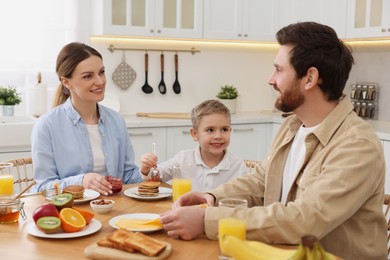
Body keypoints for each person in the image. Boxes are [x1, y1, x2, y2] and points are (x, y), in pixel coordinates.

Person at [159, 22, 387, 260]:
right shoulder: (292, 126)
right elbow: (262, 181)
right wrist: (212, 197)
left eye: (278, 70)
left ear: (310, 78)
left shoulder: (357, 145)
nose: (270, 79)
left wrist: (208, 220)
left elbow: (305, 220)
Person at [31, 42, 142, 195]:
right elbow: (43, 187)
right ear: (66, 82)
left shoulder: (116, 120)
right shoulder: (47, 125)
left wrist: (146, 171)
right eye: (88, 76)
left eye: (101, 72)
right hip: (71, 212)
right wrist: (81, 181)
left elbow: (128, 176)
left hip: (113, 207)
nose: (100, 81)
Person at [139, 99, 248, 191]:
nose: (218, 136)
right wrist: (146, 168)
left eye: (224, 129)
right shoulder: (182, 159)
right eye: (210, 130)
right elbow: (155, 177)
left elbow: (248, 199)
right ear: (195, 134)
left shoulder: (238, 166)